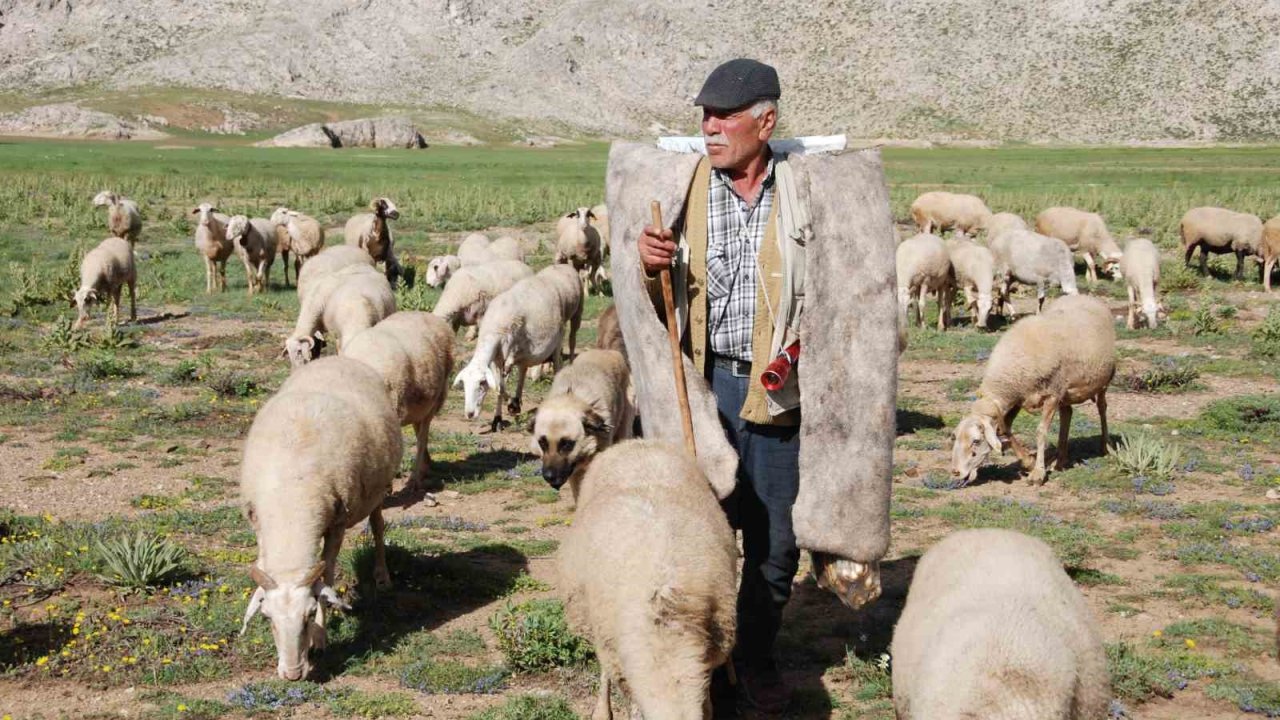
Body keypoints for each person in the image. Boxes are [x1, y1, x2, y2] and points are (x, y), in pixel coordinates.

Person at [638, 57, 799, 715]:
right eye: (703, 115)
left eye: (724, 115)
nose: (709, 126)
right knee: (699, 529)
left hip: (780, 392)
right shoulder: (687, 186)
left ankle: (755, 658)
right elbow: (653, 303)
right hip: (704, 389)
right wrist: (651, 269)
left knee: (774, 540)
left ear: (766, 120)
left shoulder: (801, 191)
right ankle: (698, 661)